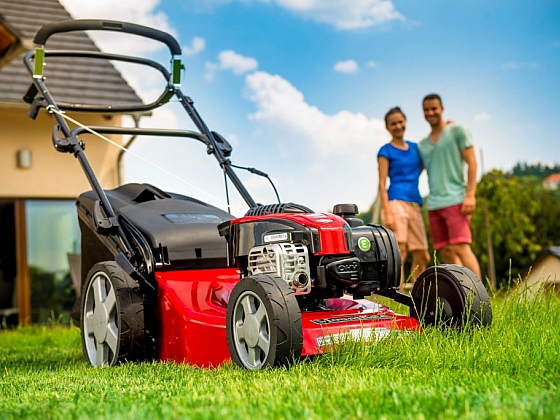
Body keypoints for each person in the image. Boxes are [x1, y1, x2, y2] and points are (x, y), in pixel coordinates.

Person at [417, 93, 481, 278]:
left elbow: (472, 162)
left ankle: (480, 298)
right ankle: (463, 295)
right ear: (423, 113)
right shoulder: (422, 145)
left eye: (434, 108)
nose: (431, 112)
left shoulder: (457, 131)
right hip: (434, 203)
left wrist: (470, 195)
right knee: (446, 251)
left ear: (442, 109)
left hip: (456, 199)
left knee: (461, 247)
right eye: (427, 110)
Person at [377, 107, 430, 291]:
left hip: (414, 203)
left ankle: (416, 292)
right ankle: (397, 293)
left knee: (423, 254)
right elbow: (381, 184)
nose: (398, 126)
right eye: (393, 123)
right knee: (401, 251)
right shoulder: (386, 151)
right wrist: (388, 212)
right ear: (387, 127)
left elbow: (423, 164)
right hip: (395, 202)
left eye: (400, 122)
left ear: (405, 122)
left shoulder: (416, 148)